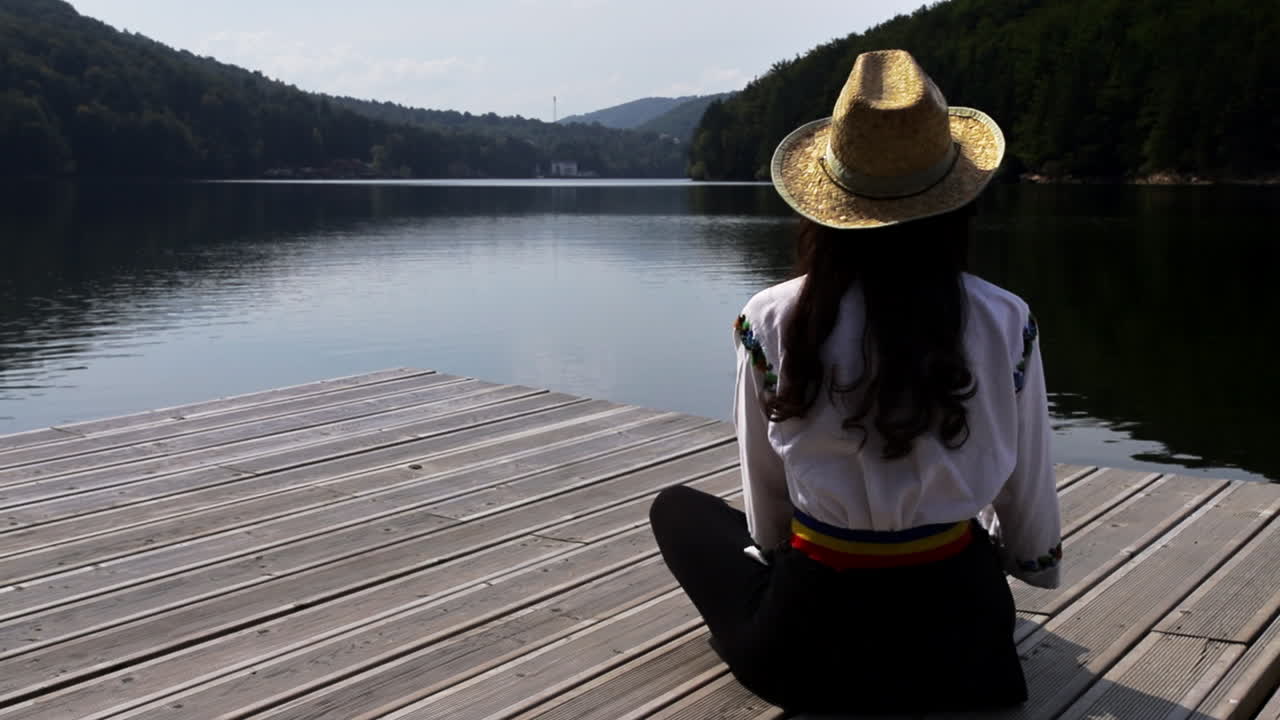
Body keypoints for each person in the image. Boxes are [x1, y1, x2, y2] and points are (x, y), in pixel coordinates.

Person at [649, 49, 1062, 714]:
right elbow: (1027, 474)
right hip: (966, 657)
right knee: (958, 545)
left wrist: (779, 551)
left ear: (826, 205)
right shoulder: (1004, 318)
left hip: (811, 647)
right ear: (956, 204)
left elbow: (765, 482)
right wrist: (1034, 562)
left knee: (676, 510)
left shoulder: (771, 316)